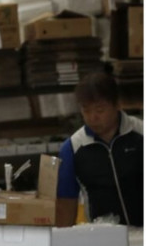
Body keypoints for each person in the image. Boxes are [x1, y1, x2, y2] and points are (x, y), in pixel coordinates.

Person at [57, 72, 143, 227]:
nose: (92, 117)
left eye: (100, 110)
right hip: (103, 239)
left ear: (117, 104)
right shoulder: (72, 148)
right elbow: (66, 204)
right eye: (86, 110)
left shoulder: (140, 134)